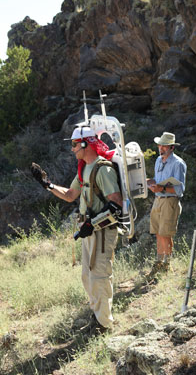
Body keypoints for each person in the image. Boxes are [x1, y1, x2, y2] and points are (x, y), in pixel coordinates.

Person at [31, 126, 122, 333]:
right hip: (89, 230)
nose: (72, 149)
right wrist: (48, 185)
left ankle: (104, 325)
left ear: (85, 143)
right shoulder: (84, 168)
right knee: (87, 276)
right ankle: (97, 316)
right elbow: (71, 194)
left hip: (101, 232)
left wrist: (93, 224)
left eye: (74, 145)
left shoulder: (103, 169)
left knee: (99, 277)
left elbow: (116, 205)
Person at [147, 132, 187, 277]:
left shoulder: (178, 164)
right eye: (159, 145)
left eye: (163, 146)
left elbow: (179, 189)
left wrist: (161, 188)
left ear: (171, 147)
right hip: (158, 200)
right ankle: (158, 263)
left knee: (166, 233)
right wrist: (149, 182)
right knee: (158, 233)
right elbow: (158, 180)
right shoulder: (158, 160)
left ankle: (166, 265)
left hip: (170, 201)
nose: (160, 148)